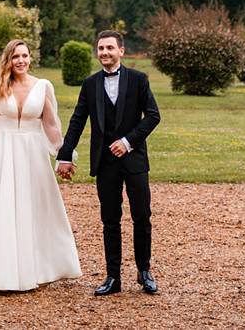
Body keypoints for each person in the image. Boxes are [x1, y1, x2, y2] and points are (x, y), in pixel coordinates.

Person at [0, 38, 81, 292]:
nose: (21, 61)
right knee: (3, 206)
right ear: (9, 59)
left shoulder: (42, 86)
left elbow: (50, 123)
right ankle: (1, 273)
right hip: (3, 151)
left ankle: (38, 268)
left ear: (30, 58)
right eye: (16, 56)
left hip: (33, 152)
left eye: (25, 56)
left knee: (35, 205)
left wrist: (64, 155)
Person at [56, 29, 161, 296]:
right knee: (110, 220)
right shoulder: (90, 84)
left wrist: (128, 141)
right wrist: (65, 155)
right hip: (105, 163)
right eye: (101, 49)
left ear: (121, 51)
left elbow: (152, 116)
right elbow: (78, 120)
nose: (105, 53)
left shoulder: (139, 79)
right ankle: (113, 277)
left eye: (110, 48)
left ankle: (144, 271)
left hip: (134, 159)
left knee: (142, 216)